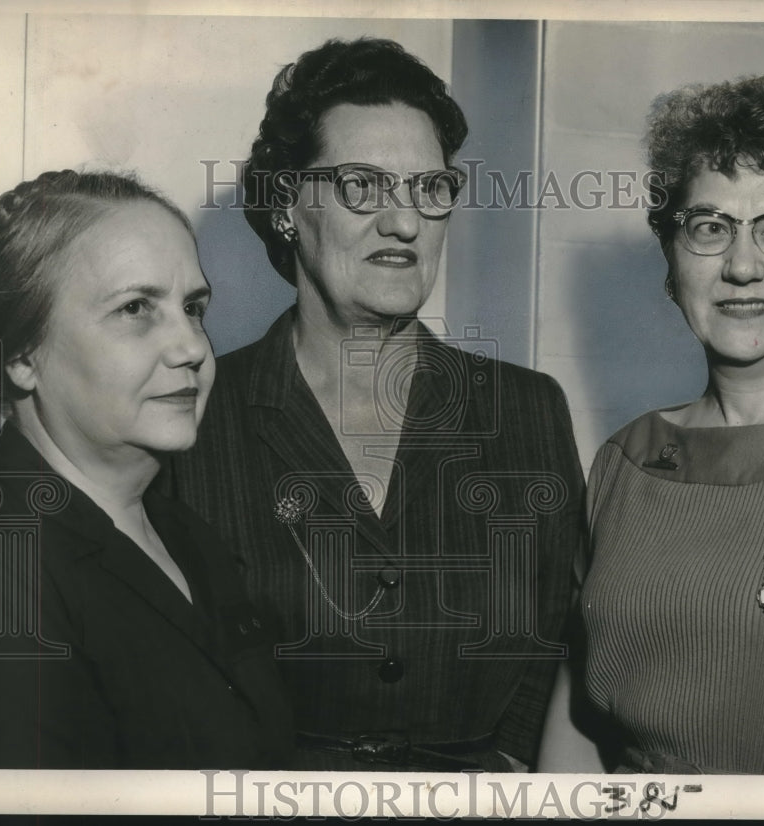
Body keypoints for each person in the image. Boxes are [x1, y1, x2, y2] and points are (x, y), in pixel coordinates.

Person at [170, 38, 585, 771]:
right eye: (363, 185)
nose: (404, 222)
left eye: (429, 188)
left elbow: (556, 646)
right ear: (289, 206)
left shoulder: (527, 411)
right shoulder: (195, 414)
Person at [539, 75, 764, 775]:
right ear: (671, 261)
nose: (742, 266)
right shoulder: (625, 463)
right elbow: (577, 719)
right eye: (709, 227)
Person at [0, 170, 294, 769]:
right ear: (23, 356)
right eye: (136, 308)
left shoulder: (181, 529)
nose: (191, 347)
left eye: (193, 308)